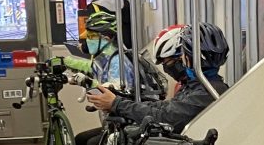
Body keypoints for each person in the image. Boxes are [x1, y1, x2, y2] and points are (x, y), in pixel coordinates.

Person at [87, 23, 230, 131]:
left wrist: (117, 104)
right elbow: (164, 107)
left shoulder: (204, 93)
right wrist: (120, 103)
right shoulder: (199, 86)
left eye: (182, 54)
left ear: (189, 58)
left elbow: (166, 116)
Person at [63, 9, 138, 145]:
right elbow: (90, 67)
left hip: (125, 125)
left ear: (105, 38)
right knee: (80, 141)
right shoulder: (104, 57)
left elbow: (114, 93)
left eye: (90, 37)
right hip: (111, 124)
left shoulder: (119, 62)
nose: (85, 41)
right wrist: (66, 62)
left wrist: (88, 83)